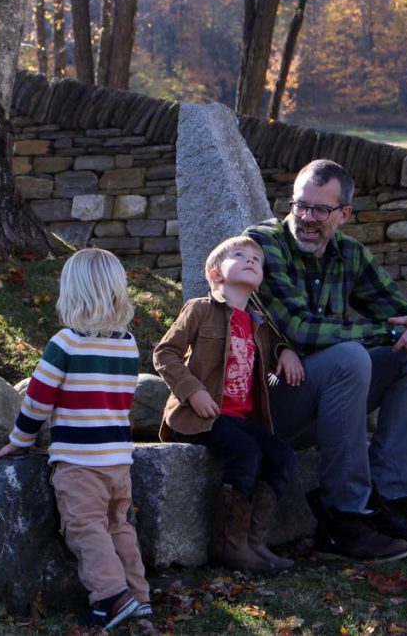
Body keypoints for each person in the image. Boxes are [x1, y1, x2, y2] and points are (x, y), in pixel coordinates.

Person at [244, 158, 407, 563]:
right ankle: (343, 520)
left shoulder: (350, 255)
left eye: (320, 210)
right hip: (272, 404)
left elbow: (404, 313)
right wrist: (394, 332)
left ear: (344, 214)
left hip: (327, 401)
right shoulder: (264, 243)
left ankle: (392, 503)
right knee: (350, 356)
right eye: (300, 205)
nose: (306, 218)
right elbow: (300, 331)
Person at [0, 248, 150, 631]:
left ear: (72, 292)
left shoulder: (65, 343)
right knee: (119, 525)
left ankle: (112, 597)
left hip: (80, 461)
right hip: (118, 460)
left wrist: (20, 439)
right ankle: (139, 596)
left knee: (85, 527)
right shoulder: (128, 344)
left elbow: (38, 400)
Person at [153, 236, 305, 573]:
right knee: (246, 452)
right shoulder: (200, 309)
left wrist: (286, 351)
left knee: (280, 455)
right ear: (215, 274)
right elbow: (164, 353)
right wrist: (193, 391)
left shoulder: (259, 324)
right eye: (239, 256)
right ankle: (228, 544)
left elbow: (276, 345)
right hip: (201, 416)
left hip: (241, 418)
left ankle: (253, 542)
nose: (251, 261)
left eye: (257, 259)